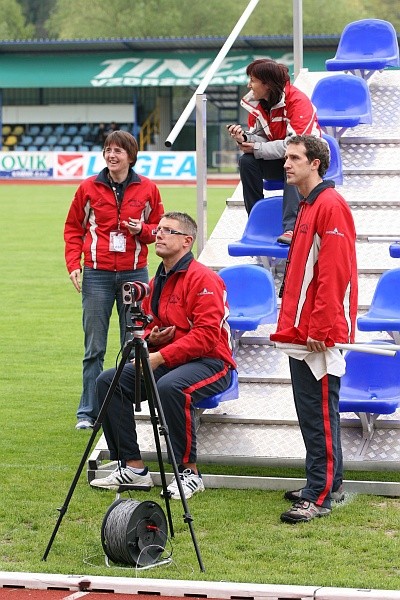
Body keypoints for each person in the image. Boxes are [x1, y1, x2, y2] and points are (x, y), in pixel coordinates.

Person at [90, 212, 236, 499]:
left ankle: (188, 473)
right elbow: (151, 322)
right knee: (109, 381)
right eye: (158, 229)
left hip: (212, 362)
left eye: (168, 231)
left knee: (171, 387)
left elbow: (207, 336)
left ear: (186, 241)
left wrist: (159, 356)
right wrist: (151, 339)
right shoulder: (160, 278)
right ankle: (133, 468)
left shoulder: (204, 278)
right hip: (172, 359)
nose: (158, 234)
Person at [270, 135, 358, 524]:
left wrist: (321, 325)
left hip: (316, 331)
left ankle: (319, 494)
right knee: (313, 411)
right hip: (301, 328)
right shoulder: (309, 204)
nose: (286, 164)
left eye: (294, 158)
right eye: (286, 157)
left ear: (316, 163)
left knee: (319, 410)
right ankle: (324, 482)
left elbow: (334, 272)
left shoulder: (330, 205)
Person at [64, 130, 164, 430]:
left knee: (132, 344)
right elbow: (72, 228)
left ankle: (126, 409)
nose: (111, 155)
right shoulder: (88, 188)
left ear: (130, 156)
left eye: (118, 150)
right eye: (107, 149)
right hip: (96, 274)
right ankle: (88, 411)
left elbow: (159, 229)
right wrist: (73, 264)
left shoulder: (148, 188)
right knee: (94, 347)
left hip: (134, 274)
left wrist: (141, 231)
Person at [227, 58, 322, 245]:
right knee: (246, 161)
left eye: (253, 80)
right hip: (281, 158)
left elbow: (297, 145)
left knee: (293, 162)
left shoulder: (298, 101)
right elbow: (260, 137)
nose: (249, 85)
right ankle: (256, 220)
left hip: (310, 161)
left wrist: (257, 147)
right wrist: (246, 139)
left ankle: (291, 227)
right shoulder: (257, 104)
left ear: (267, 84)